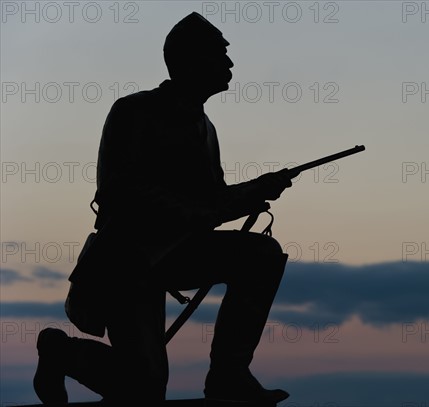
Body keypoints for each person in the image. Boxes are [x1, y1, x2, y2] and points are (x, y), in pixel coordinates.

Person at [33, 12, 292, 404]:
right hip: (128, 262)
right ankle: (61, 353)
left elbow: (211, 201)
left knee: (260, 255)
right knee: (144, 390)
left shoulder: (206, 128)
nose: (230, 64)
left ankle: (229, 375)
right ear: (189, 61)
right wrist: (201, 211)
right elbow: (121, 189)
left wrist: (254, 193)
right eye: (219, 55)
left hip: (176, 254)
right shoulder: (133, 111)